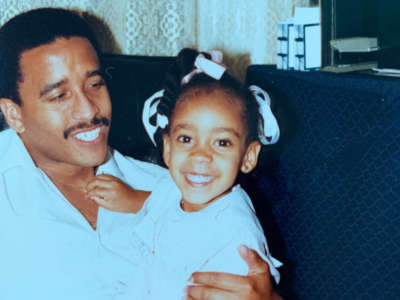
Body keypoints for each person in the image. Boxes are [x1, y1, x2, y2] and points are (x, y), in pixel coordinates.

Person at [0, 7, 283, 300]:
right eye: (59, 96)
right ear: (13, 114)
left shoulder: (179, 188)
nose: (88, 110)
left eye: (95, 84)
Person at [86, 48, 283, 300]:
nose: (200, 155)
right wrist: (129, 197)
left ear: (248, 157)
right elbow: (159, 202)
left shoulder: (237, 234)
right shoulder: (175, 187)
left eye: (222, 142)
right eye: (187, 138)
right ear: (167, 149)